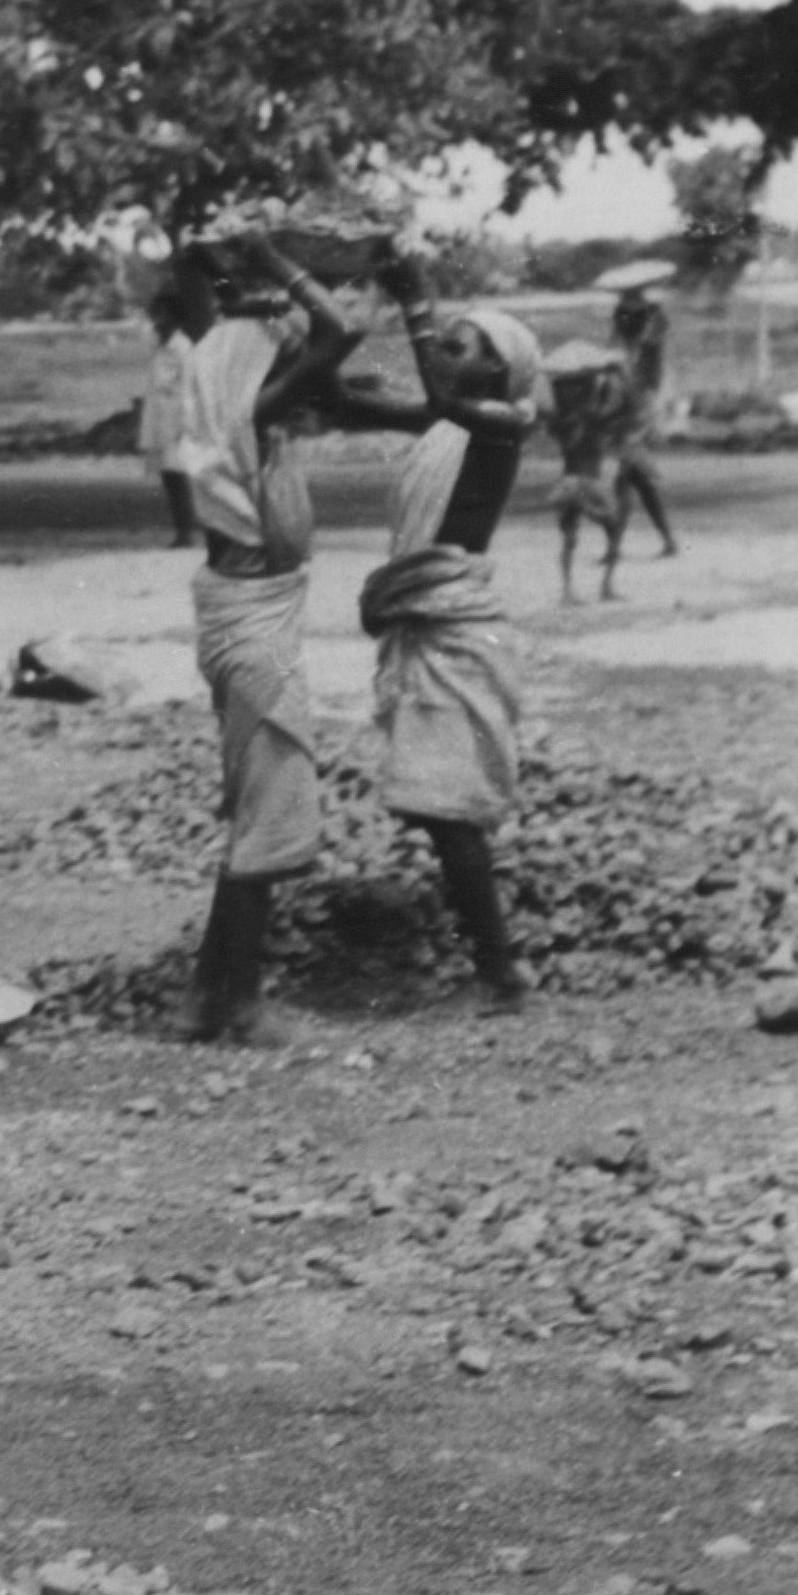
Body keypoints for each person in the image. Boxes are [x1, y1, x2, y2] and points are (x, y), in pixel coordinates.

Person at [333, 251, 542, 1007]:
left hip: (456, 626)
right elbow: (355, 407)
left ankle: (501, 968)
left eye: (460, 347)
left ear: (498, 371)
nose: (444, 360)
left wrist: (417, 303)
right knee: (432, 804)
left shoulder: (499, 423)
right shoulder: (452, 419)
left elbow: (441, 401)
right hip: (434, 622)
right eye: (443, 344)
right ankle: (497, 958)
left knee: (448, 809)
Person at [171, 226, 356, 1044]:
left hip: (243, 614)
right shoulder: (257, 409)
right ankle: (240, 1006)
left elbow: (334, 356)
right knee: (273, 812)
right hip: (253, 624)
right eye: (275, 354)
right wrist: (274, 263)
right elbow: (341, 333)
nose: (292, 367)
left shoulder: (239, 427)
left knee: (255, 808)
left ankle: (207, 996)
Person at [544, 342, 637, 602]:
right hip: (593, 481)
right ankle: (606, 586)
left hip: (568, 480)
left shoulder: (563, 421)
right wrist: (619, 373)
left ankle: (567, 591)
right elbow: (628, 408)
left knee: (569, 539)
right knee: (615, 530)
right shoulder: (593, 417)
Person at [609, 283, 683, 558]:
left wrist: (649, 308)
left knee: (625, 480)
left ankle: (614, 546)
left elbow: (659, 331)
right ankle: (667, 541)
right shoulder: (630, 349)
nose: (619, 321)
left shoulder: (647, 349)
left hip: (640, 414)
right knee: (637, 482)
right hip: (633, 414)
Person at [139, 269, 205, 549]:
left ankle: (188, 529)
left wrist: (186, 425)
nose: (159, 321)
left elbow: (189, 388)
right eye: (157, 315)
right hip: (158, 419)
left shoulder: (182, 347)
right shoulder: (158, 345)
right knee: (168, 475)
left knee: (181, 475)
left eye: (165, 315)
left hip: (178, 420)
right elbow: (143, 332)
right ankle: (182, 527)